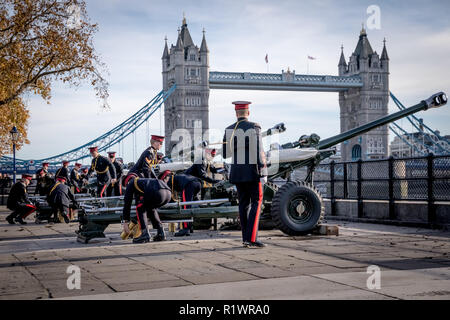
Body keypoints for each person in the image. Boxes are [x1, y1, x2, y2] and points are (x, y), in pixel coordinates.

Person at [222, 101, 268, 248]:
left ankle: (245, 238)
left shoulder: (229, 129)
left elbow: (225, 154)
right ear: (248, 113)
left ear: (236, 114)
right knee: (257, 202)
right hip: (252, 172)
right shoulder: (254, 126)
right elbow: (259, 149)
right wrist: (262, 170)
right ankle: (252, 238)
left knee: (243, 204)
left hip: (237, 173)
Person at [121, 170, 172, 243]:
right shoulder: (142, 182)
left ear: (127, 182)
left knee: (140, 208)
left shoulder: (132, 183)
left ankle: (145, 234)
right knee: (150, 208)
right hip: (167, 193)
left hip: (157, 192)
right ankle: (161, 232)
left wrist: (125, 222)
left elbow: (127, 203)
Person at [166, 172, 203, 237]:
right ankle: (190, 227)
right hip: (198, 183)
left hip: (189, 185)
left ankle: (185, 228)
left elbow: (170, 194)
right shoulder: (179, 176)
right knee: (189, 206)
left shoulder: (170, 180)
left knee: (185, 207)